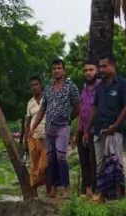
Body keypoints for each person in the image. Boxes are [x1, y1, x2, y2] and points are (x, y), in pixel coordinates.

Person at [84, 53, 126, 203]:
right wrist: (87, 130)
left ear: (113, 65)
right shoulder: (99, 87)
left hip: (114, 130)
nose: (101, 69)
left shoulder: (122, 84)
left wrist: (116, 125)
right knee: (101, 164)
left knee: (116, 163)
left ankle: (120, 197)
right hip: (99, 130)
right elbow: (94, 108)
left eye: (104, 66)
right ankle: (101, 197)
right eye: (100, 67)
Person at [30, 58, 80, 199]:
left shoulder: (71, 86)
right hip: (49, 128)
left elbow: (77, 106)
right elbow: (42, 110)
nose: (56, 71)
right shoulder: (48, 88)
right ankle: (53, 189)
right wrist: (33, 127)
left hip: (63, 127)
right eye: (54, 68)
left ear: (63, 70)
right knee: (51, 159)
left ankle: (66, 189)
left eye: (59, 68)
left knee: (61, 157)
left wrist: (69, 118)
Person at [72, 59, 100, 199]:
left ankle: (97, 192)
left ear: (97, 71)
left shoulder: (101, 87)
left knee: (95, 161)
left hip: (95, 130)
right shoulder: (83, 89)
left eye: (91, 70)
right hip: (83, 129)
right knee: (84, 161)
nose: (88, 73)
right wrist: (77, 133)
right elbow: (81, 111)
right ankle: (88, 192)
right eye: (86, 70)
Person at [24, 76, 49, 196]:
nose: (34, 87)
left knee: (45, 165)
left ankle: (49, 189)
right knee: (34, 165)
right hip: (33, 137)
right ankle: (35, 192)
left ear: (41, 85)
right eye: (32, 85)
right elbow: (28, 121)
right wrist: (25, 137)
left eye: (36, 84)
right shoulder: (30, 103)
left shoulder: (48, 98)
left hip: (47, 136)